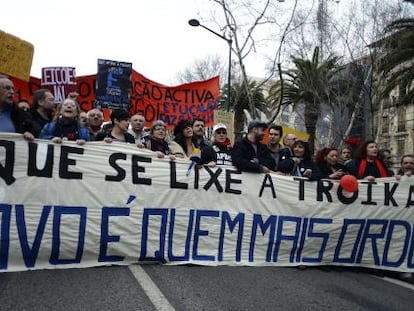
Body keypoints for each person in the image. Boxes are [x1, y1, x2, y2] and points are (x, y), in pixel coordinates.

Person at [0, 75, 33, 140]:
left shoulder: (23, 116)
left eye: (13, 89)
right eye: (7, 88)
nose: (12, 92)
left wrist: (30, 135)